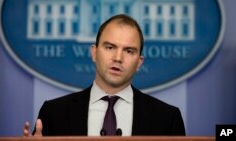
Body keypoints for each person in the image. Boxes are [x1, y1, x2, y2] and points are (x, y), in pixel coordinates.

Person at [23, 14, 185, 137]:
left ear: (139, 62)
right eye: (110, 47)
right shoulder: (53, 113)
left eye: (129, 51)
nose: (118, 58)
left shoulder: (167, 119)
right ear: (94, 53)